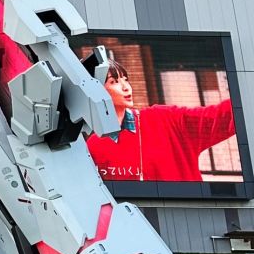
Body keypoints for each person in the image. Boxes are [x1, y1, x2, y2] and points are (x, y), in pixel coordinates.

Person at [85, 56, 236, 184]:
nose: (126, 87)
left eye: (126, 79)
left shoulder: (164, 119)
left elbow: (222, 117)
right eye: (114, 82)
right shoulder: (93, 146)